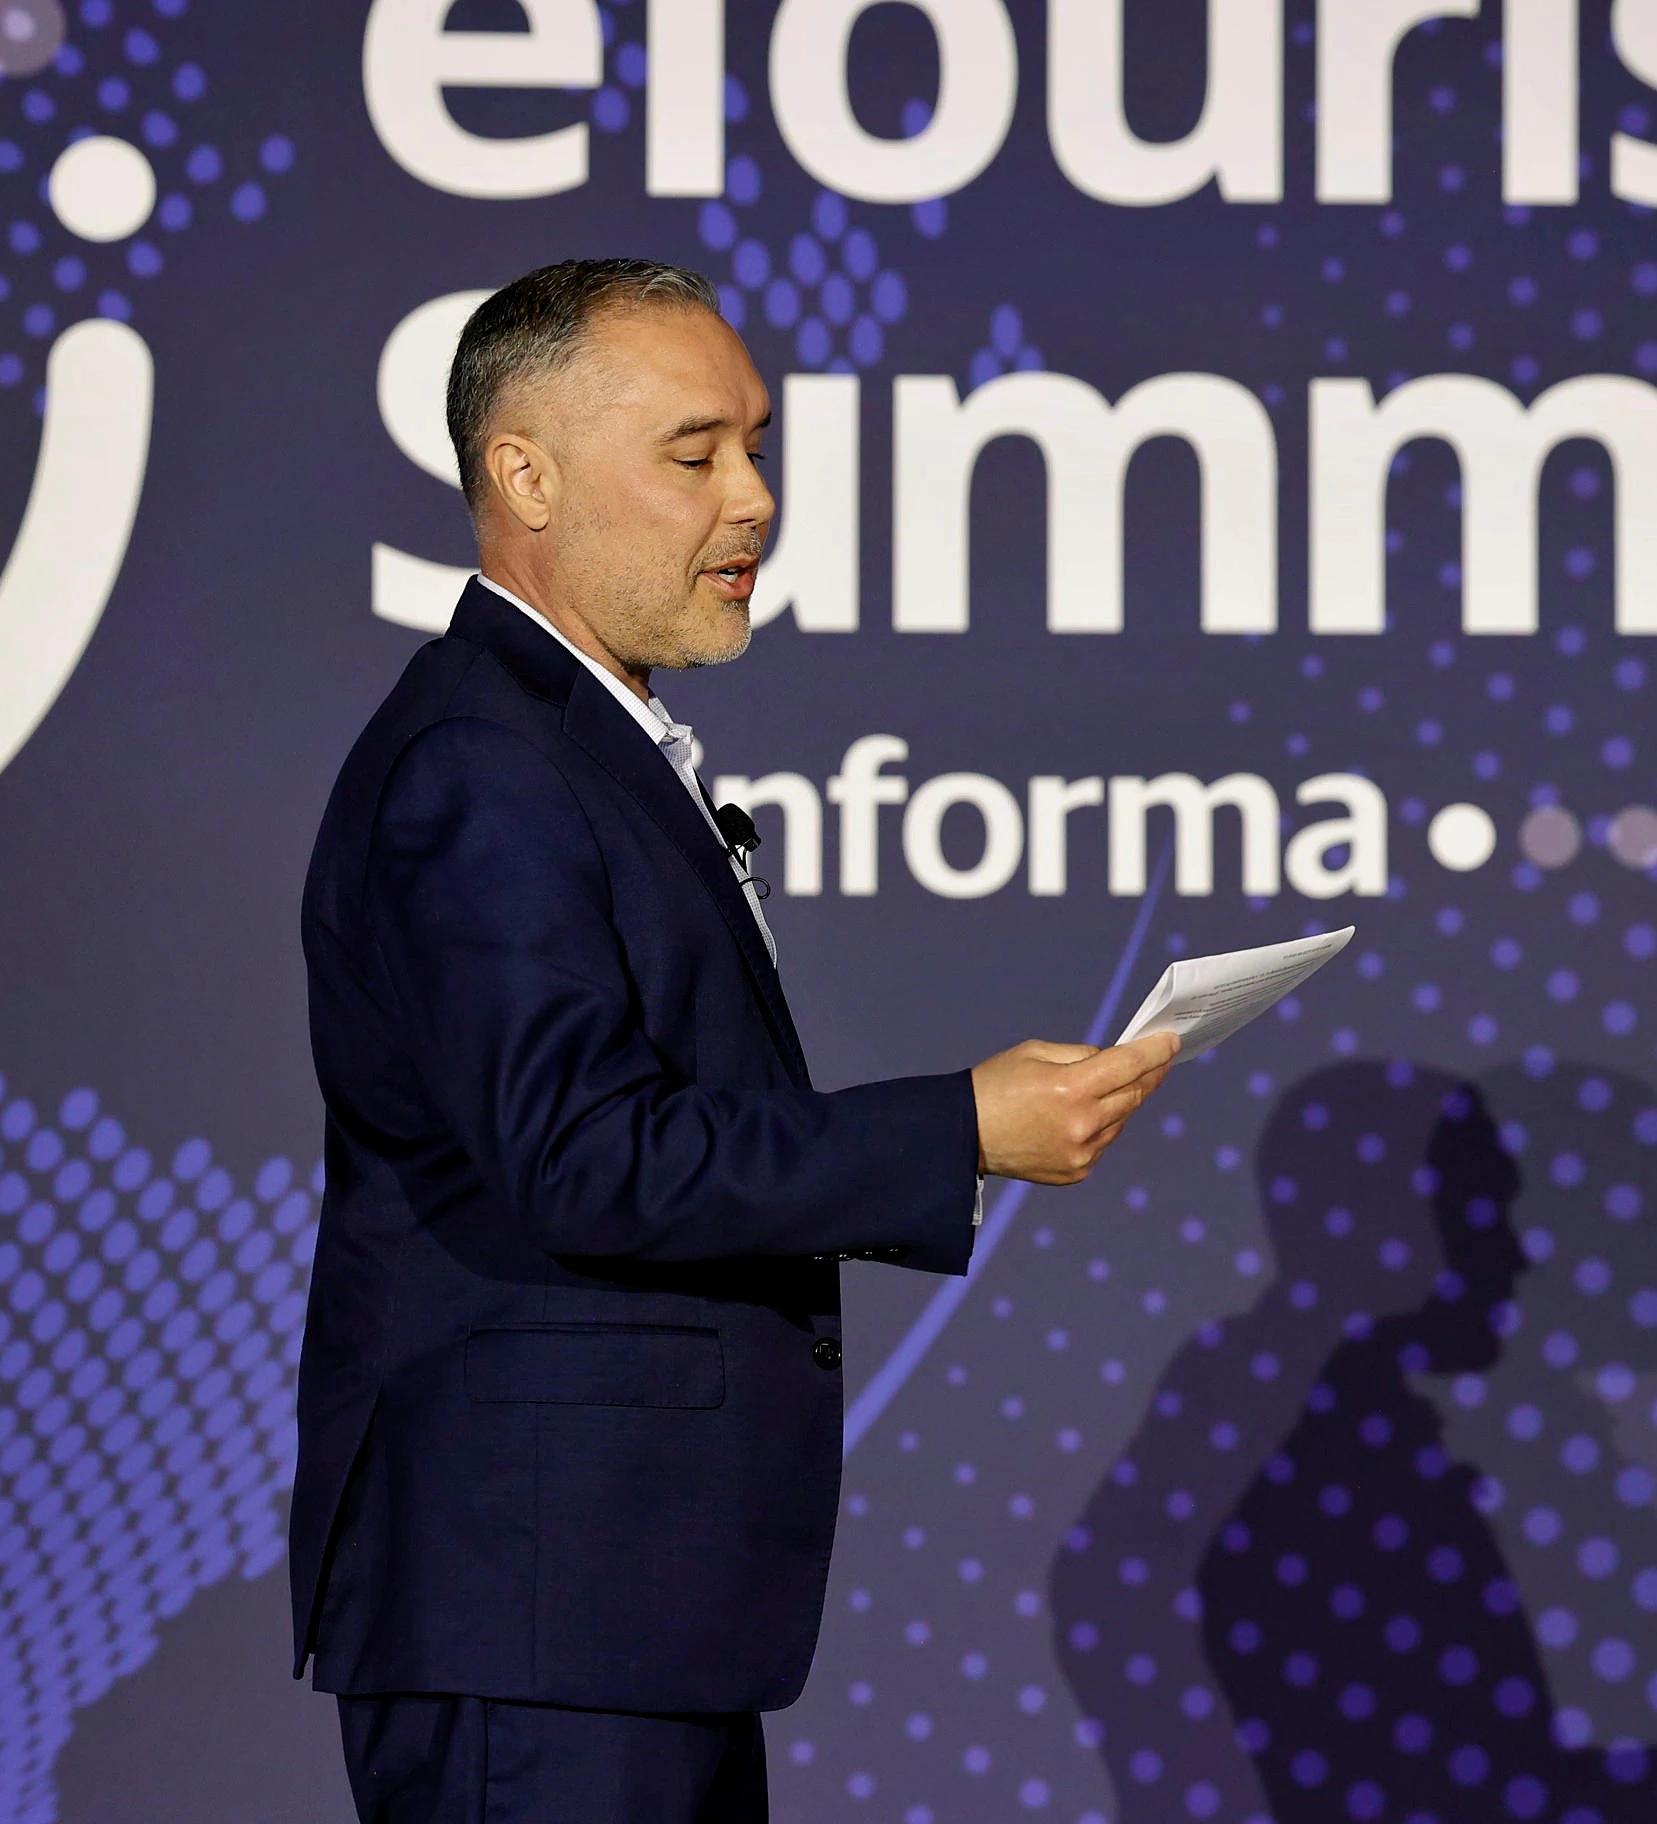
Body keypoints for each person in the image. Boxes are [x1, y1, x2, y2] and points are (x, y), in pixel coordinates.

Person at [289, 257, 1177, 1824]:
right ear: (526, 475)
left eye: (757, 447)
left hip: (613, 1612)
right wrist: (956, 1127)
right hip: (538, 1614)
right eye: (695, 454)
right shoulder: (480, 764)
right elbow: (580, 1153)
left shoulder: (568, 742)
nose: (753, 500)